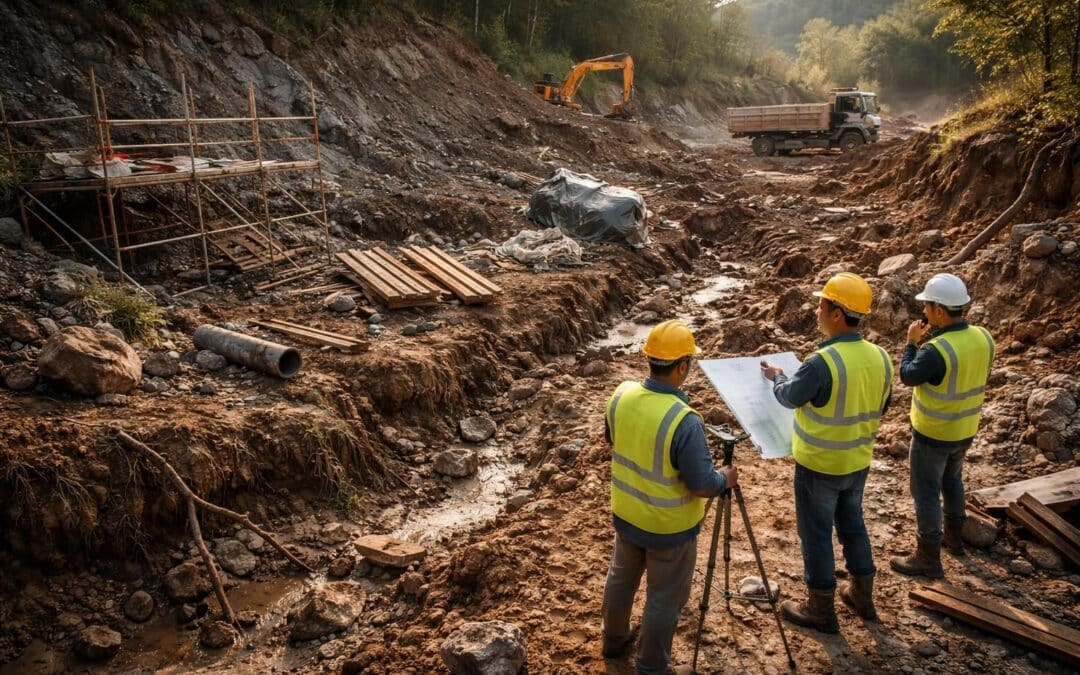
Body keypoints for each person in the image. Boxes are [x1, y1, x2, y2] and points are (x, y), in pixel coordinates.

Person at [601, 319, 738, 675]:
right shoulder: (684, 420)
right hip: (668, 530)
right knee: (663, 599)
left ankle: (613, 640)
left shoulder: (621, 395)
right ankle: (650, 668)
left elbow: (613, 439)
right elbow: (702, 484)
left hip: (626, 515)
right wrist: (724, 479)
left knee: (620, 580)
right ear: (682, 366)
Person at [760, 272, 892, 632]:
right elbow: (883, 405)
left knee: (817, 534)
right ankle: (862, 595)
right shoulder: (881, 357)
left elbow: (789, 397)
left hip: (819, 465)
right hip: (858, 461)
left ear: (837, 313)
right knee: (853, 525)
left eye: (821, 305)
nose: (817, 311)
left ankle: (820, 609)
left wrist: (778, 376)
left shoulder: (822, 362)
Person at [890, 273, 995, 578]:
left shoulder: (936, 350)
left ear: (938, 309)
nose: (923, 311)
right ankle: (955, 541)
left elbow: (908, 375)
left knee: (925, 493)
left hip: (933, 433)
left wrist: (911, 343)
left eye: (927, 306)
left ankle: (928, 558)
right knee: (952, 481)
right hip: (966, 429)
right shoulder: (984, 337)